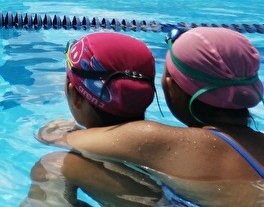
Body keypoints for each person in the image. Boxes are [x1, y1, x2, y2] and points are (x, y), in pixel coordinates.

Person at [43, 27, 264, 207]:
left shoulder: (156, 139)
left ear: (170, 87)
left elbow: (55, 138)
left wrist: (56, 130)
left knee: (58, 163)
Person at [25, 33, 159, 206]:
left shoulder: (63, 161)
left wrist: (54, 135)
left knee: (52, 166)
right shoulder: (174, 144)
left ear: (74, 96)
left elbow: (48, 137)